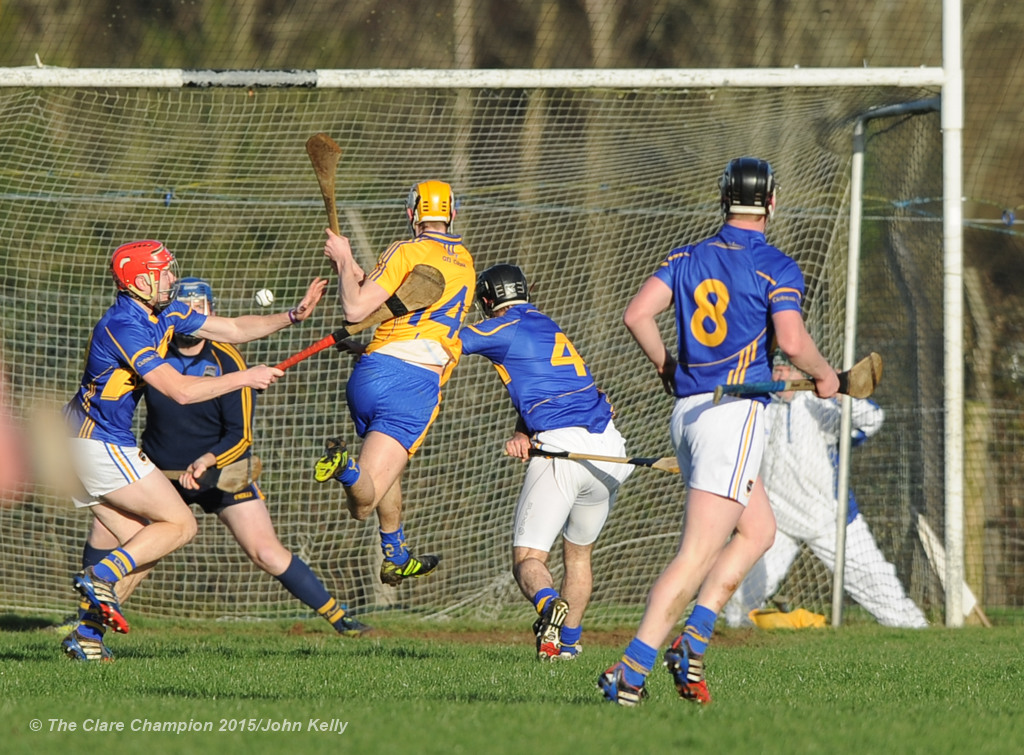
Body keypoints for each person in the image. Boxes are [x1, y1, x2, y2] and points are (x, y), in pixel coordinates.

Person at [599, 157, 840, 706]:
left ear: (723, 199)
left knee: (758, 531)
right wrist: (825, 377)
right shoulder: (776, 266)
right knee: (697, 553)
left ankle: (693, 641)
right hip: (732, 419)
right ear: (772, 203)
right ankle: (631, 674)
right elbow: (794, 341)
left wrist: (666, 366)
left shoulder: (686, 255)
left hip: (686, 415)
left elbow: (637, 314)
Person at [62, 277, 366, 661]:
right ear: (138, 281)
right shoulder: (127, 326)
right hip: (97, 441)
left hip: (87, 443)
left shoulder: (166, 315)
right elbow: (182, 391)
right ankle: (101, 576)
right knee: (181, 528)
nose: (170, 278)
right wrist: (247, 377)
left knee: (148, 545)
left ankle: (87, 637)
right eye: (162, 273)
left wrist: (292, 316)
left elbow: (236, 329)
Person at [461, 264, 633, 660]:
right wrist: (523, 431)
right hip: (610, 449)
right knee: (578, 556)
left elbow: (445, 342)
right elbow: (547, 388)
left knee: (528, 559)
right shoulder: (546, 323)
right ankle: (565, 647)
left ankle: (547, 604)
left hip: (561, 450)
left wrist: (380, 345)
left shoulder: (501, 326)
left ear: (487, 301)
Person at [314, 180, 475, 587]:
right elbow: (357, 307)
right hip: (413, 385)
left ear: (411, 214)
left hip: (371, 373)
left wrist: (345, 265)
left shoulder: (406, 250)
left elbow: (376, 304)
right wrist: (347, 260)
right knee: (362, 503)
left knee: (391, 469)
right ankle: (347, 468)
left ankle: (395, 553)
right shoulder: (466, 262)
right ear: (451, 214)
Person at [722, 353, 928, 629]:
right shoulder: (763, 407)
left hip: (830, 520)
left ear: (802, 372)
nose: (780, 376)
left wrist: (842, 392)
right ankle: (730, 645)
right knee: (738, 601)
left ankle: (918, 634)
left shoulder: (820, 405)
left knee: (884, 594)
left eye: (787, 370)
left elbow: (872, 419)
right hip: (777, 521)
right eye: (777, 370)